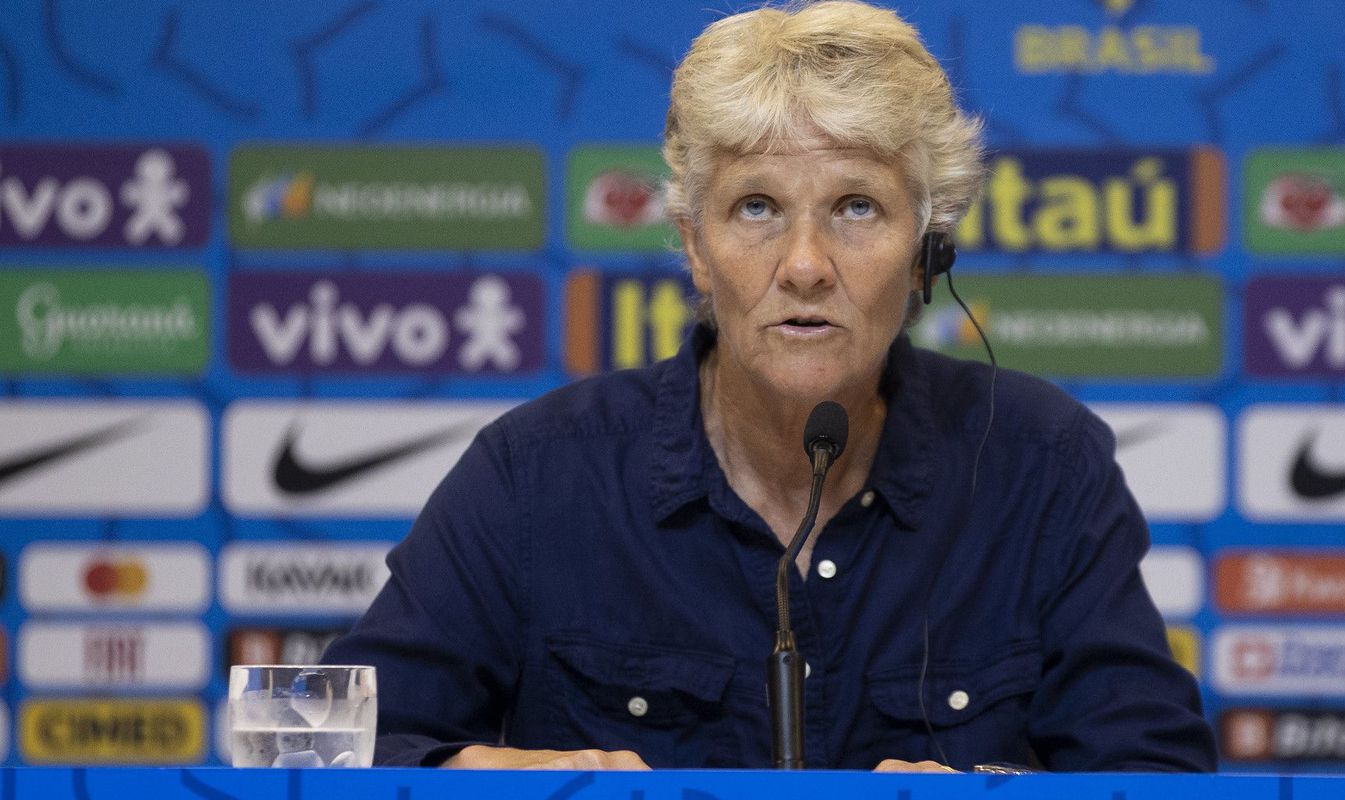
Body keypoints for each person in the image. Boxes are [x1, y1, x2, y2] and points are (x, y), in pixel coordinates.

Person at [321, 0, 1216, 772]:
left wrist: (989, 791)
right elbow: (342, 749)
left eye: (857, 207)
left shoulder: (1042, 464)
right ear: (694, 247)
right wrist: (482, 774)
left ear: (927, 252)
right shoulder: (538, 475)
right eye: (757, 207)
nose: (805, 266)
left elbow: (1155, 773)